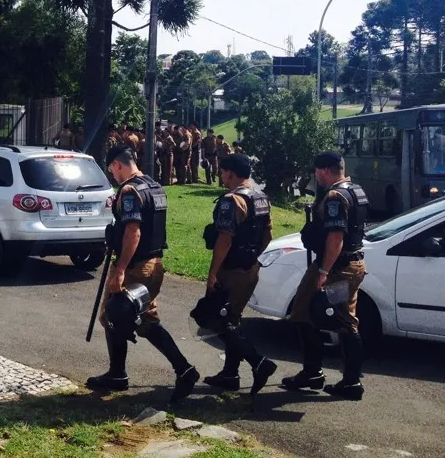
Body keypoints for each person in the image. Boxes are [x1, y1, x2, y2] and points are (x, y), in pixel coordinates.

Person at [86, 145, 199, 403]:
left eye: (111, 170)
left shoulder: (129, 190)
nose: (112, 175)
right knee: (143, 319)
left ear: (117, 164)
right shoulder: (154, 186)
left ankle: (179, 370)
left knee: (115, 315)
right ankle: (124, 373)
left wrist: (121, 269)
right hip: (154, 263)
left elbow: (133, 231)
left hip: (137, 265)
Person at [283, 151, 369, 400]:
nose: (315, 176)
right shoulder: (355, 190)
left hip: (335, 268)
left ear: (323, 170)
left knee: (326, 317)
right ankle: (325, 375)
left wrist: (323, 272)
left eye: (316, 172)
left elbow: (335, 237)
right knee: (335, 317)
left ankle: (341, 380)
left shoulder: (334, 196)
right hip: (351, 264)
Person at [201, 153, 278, 394]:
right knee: (231, 318)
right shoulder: (261, 197)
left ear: (231, 173)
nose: (222, 176)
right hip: (250, 268)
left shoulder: (232, 200)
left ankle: (259, 363)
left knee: (213, 318)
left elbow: (224, 239)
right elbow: (268, 235)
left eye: (223, 172)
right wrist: (252, 257)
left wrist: (213, 273)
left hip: (231, 270)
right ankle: (230, 374)